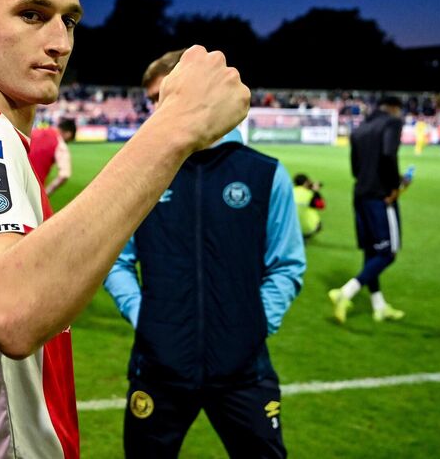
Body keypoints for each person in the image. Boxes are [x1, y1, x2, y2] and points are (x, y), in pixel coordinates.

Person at [0, 0, 249, 458]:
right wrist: (174, 127)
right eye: (32, 15)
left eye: (70, 20)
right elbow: (10, 310)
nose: (60, 41)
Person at [104, 49, 305, 459]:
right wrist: (147, 318)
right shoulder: (140, 174)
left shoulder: (265, 174)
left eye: (166, 95)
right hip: (159, 368)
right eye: (153, 100)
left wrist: (254, 323)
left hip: (244, 371)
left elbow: (286, 265)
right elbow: (116, 261)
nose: (157, 110)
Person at [329, 96, 410, 324]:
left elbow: (356, 169)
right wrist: (394, 186)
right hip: (380, 197)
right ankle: (346, 292)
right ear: (394, 108)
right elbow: (388, 153)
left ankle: (379, 306)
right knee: (387, 253)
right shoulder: (392, 122)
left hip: (360, 195)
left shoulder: (360, 128)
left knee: (371, 251)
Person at [28, 118, 76, 196]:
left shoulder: (35, 131)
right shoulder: (60, 144)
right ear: (68, 134)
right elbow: (64, 175)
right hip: (33, 189)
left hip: (14, 181)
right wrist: (45, 194)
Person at [293, 173, 325, 239]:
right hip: (306, 227)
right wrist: (316, 192)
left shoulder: (290, 191)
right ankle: (305, 235)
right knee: (319, 224)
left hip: (290, 226)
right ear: (306, 183)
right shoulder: (310, 194)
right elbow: (321, 205)